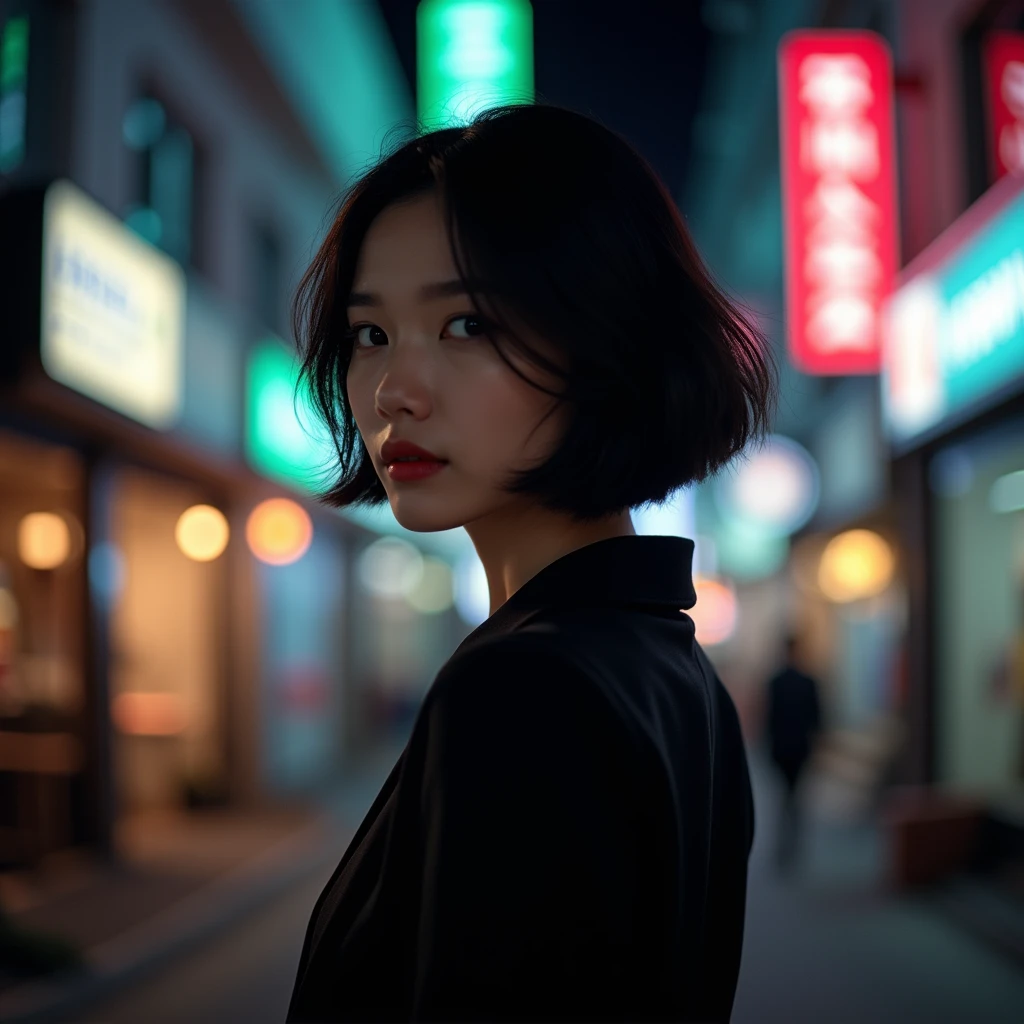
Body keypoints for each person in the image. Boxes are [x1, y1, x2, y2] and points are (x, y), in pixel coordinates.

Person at [285, 103, 777, 1023]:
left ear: (608, 340)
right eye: (370, 334)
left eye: (467, 324)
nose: (394, 390)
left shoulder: (524, 687)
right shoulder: (669, 664)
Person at [764, 634, 823, 874]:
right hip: (798, 747)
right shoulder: (808, 681)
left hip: (782, 747)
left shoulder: (775, 681)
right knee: (793, 796)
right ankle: (792, 844)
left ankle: (785, 847)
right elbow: (818, 719)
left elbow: (769, 719)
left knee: (786, 796)